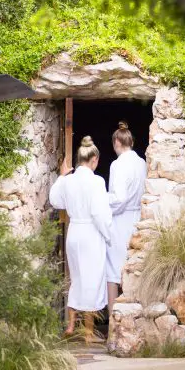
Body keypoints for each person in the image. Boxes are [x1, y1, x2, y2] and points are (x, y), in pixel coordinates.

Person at [49, 135, 113, 342]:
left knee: (76, 279)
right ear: (94, 160)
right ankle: (88, 333)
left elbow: (55, 200)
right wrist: (108, 235)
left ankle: (70, 326)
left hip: (74, 232)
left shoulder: (68, 181)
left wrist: (61, 177)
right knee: (92, 280)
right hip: (90, 233)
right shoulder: (97, 182)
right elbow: (99, 213)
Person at [106, 121, 147, 318]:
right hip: (137, 218)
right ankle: (134, 319)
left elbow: (119, 198)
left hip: (120, 220)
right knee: (134, 269)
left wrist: (102, 202)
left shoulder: (118, 164)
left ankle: (114, 321)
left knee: (113, 270)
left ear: (117, 142)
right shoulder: (142, 163)